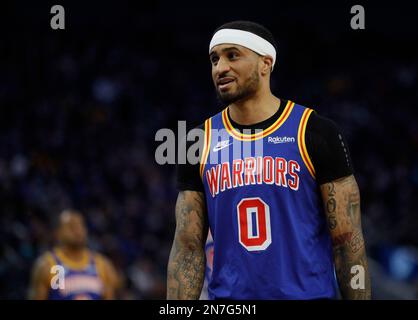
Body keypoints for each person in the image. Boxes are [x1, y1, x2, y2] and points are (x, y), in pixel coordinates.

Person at [167, 20, 371, 300]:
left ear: (265, 63)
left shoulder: (314, 131)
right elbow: (187, 247)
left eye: (232, 55)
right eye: (214, 59)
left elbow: (348, 242)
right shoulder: (197, 140)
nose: (220, 67)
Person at [28, 209, 121, 300]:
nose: (77, 230)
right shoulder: (48, 265)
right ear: (57, 232)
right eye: (71, 226)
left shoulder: (102, 264)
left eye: (80, 225)